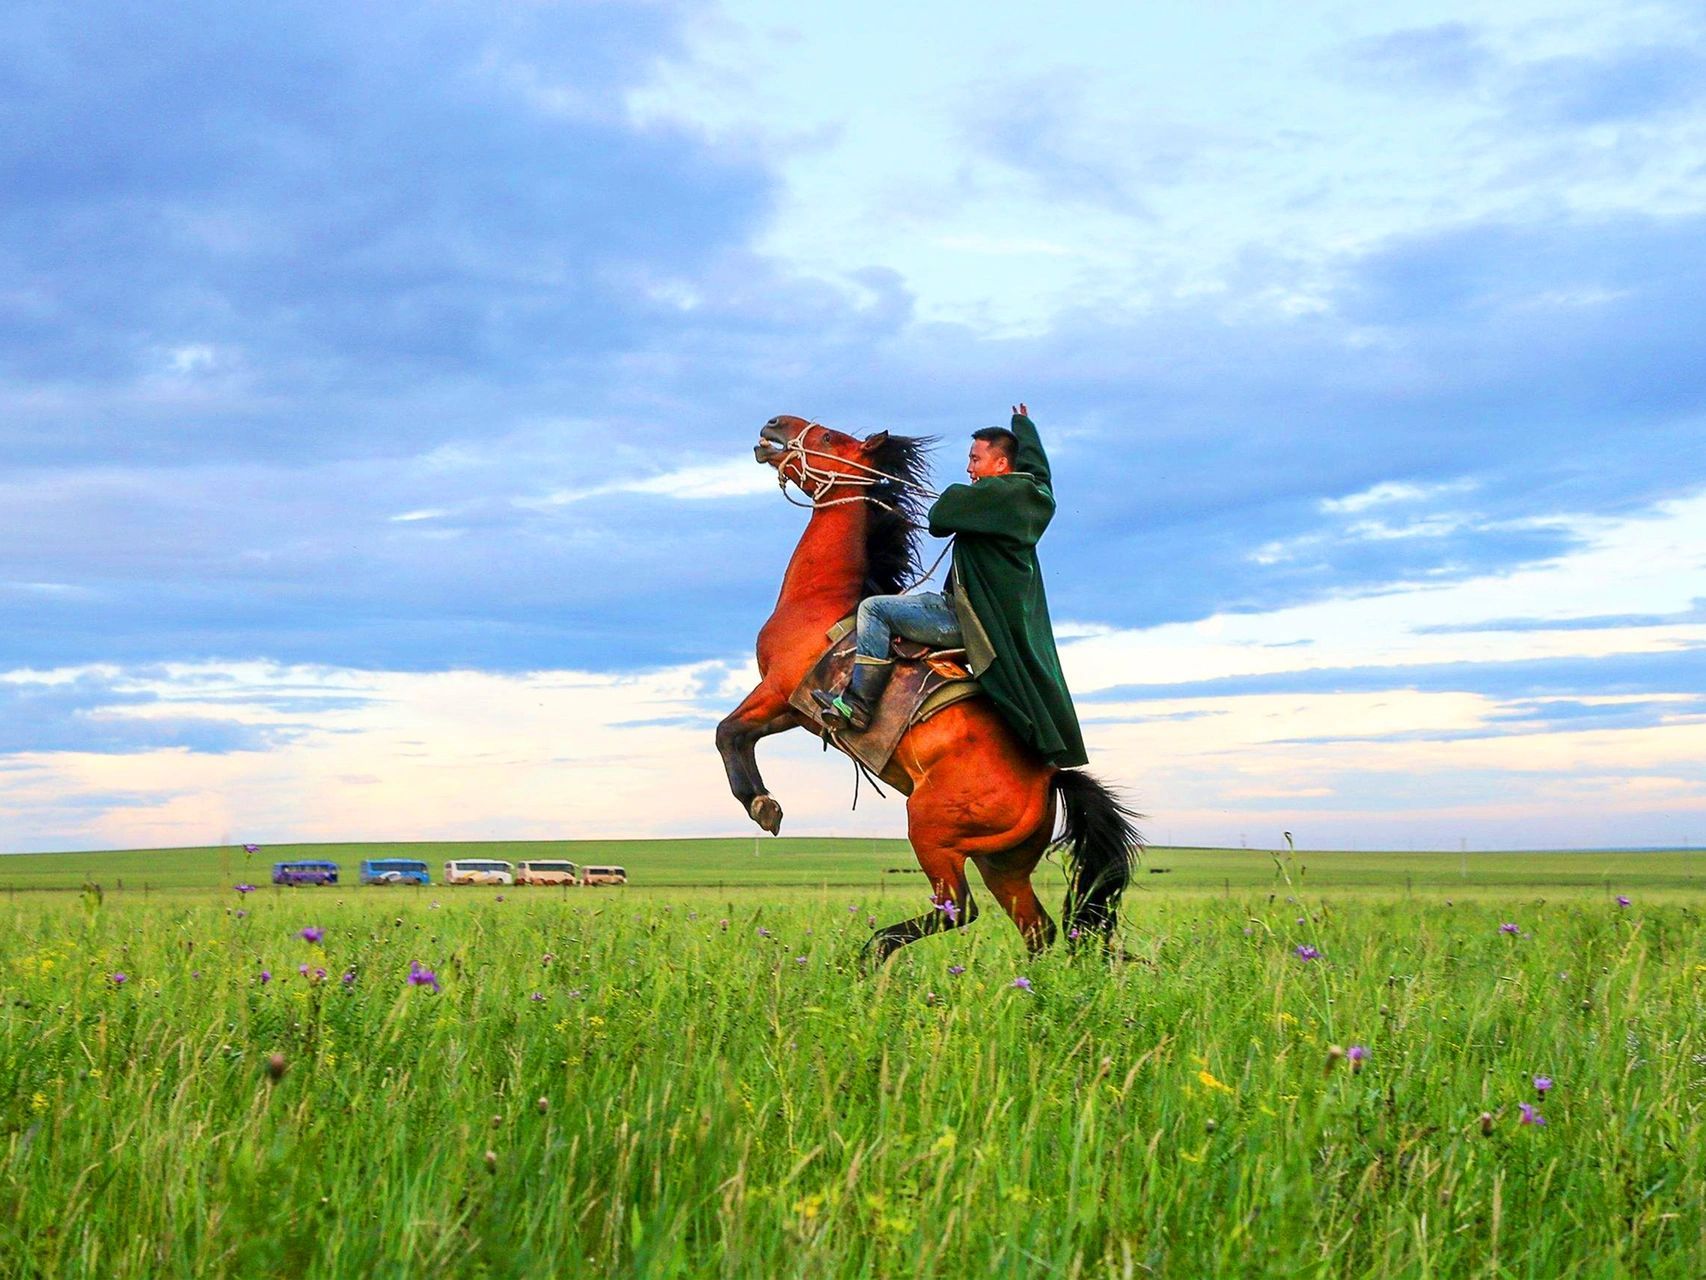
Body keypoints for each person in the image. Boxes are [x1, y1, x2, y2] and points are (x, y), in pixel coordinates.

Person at [816, 403, 1089, 768]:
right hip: (979, 613)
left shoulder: (997, 496)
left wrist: (958, 493)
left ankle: (857, 704)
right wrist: (1024, 426)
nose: (969, 468)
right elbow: (1040, 471)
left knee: (875, 609)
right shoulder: (1035, 496)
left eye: (976, 460)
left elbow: (940, 517)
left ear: (1001, 466)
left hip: (966, 619)